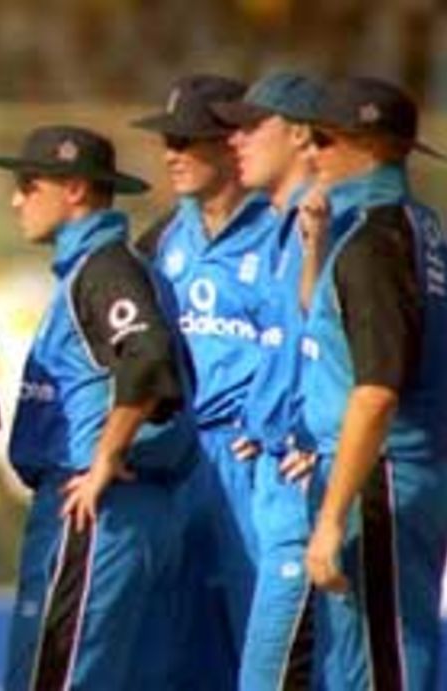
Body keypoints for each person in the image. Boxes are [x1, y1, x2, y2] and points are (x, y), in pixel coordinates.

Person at [0, 125, 195, 690]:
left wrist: (104, 457)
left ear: (75, 189)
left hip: (94, 507)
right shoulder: (106, 266)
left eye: (29, 184)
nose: (15, 198)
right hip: (136, 509)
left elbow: (145, 358)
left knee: (53, 675)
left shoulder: (104, 267)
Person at [295, 77, 447, 691]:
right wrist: (315, 246)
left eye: (322, 140)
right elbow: (333, 323)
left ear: (367, 145)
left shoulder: (374, 243)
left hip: (378, 475)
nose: (309, 153)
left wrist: (331, 516)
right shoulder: (420, 226)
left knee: (383, 658)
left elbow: (377, 387)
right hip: (407, 468)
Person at [130, 73, 280, 689]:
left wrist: (274, 425)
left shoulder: (282, 230)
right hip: (181, 456)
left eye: (189, 141)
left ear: (233, 144)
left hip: (250, 458)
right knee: (170, 638)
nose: (173, 154)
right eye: (169, 140)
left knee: (259, 637)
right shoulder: (163, 235)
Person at [210, 72, 325, 690]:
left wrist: (315, 432)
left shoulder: (326, 218)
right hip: (272, 474)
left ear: (303, 134)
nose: (236, 140)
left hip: (309, 490)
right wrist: (264, 415)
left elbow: (352, 346)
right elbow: (286, 345)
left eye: (254, 126)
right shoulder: (281, 227)